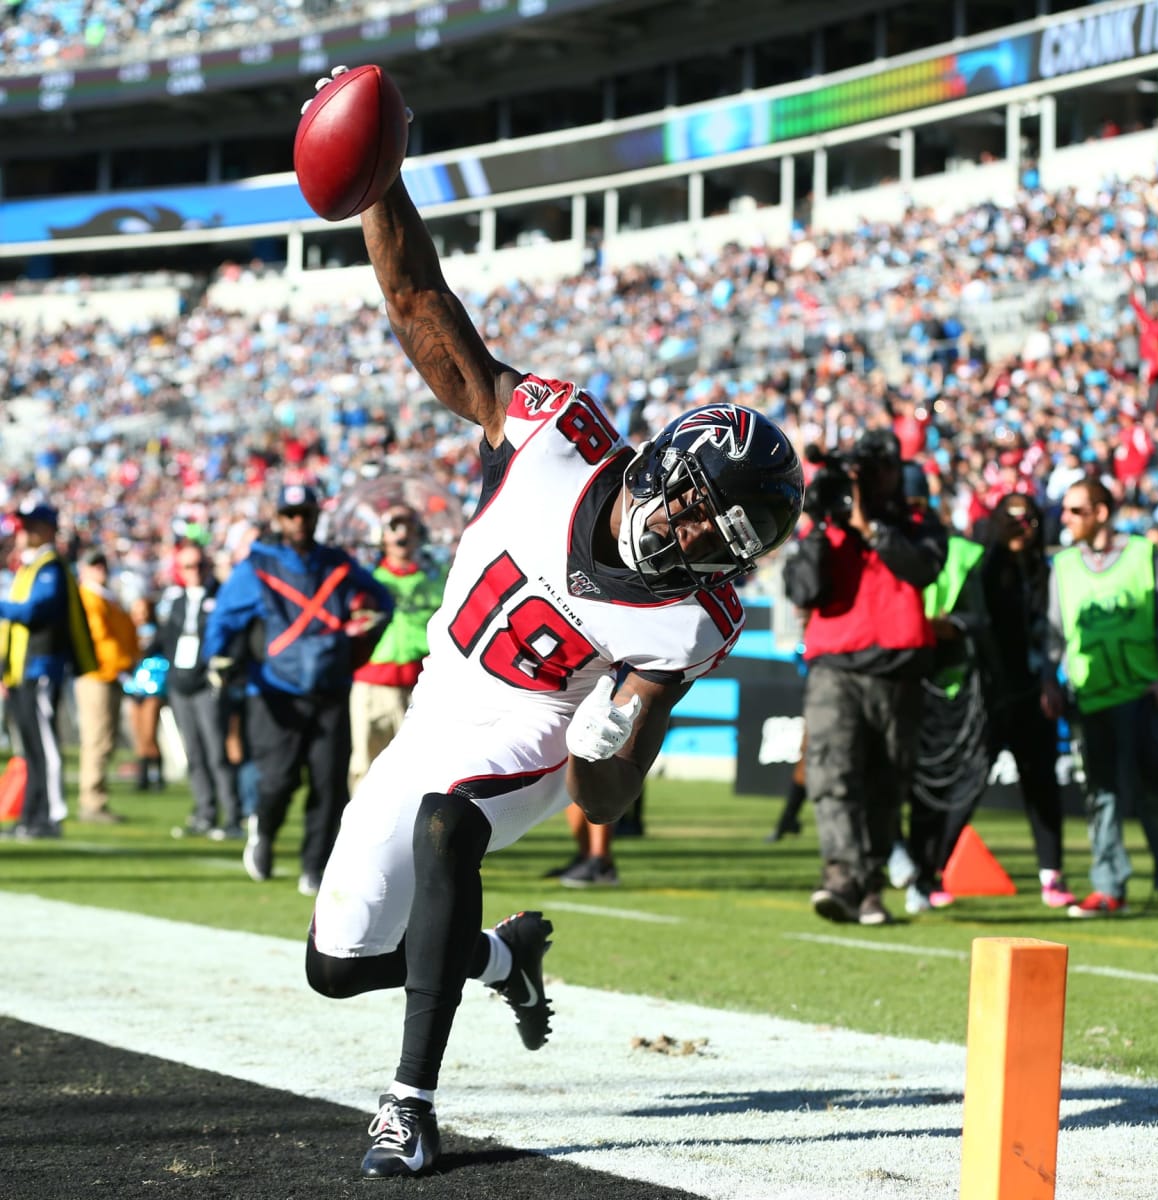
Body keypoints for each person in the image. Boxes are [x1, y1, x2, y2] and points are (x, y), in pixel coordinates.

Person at [299, 67, 805, 1182]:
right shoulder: (554, 436)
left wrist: (613, 734)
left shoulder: (692, 620)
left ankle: (409, 1105)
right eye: (701, 516)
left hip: (528, 738)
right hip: (438, 704)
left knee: (448, 826)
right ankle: (500, 958)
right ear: (666, 463)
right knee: (335, 964)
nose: (705, 547)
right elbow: (422, 311)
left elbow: (603, 802)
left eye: (729, 541)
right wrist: (380, 183)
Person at [203, 483, 396, 896]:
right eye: (290, 514)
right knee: (278, 780)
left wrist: (367, 623)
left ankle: (316, 866)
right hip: (275, 690)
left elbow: (381, 600)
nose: (298, 521)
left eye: (305, 513)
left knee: (329, 783)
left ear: (315, 516)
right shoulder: (258, 566)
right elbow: (223, 617)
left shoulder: (338, 565)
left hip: (330, 685)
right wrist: (216, 657)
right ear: (279, 518)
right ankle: (265, 831)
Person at [785, 432, 946, 926]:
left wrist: (873, 529)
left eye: (878, 471)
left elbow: (923, 571)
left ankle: (868, 886)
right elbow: (805, 590)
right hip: (836, 669)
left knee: (886, 782)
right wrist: (819, 527)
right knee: (833, 775)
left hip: (899, 670)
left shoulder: (918, 523)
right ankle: (841, 877)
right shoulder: (826, 527)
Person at [1043, 479, 1158, 921]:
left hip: (1143, 696)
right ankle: (1109, 888)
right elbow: (1054, 632)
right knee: (1101, 798)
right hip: (1090, 699)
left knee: (1154, 796)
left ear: (1102, 512)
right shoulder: (1065, 565)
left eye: (1075, 511)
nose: (1066, 519)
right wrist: (1048, 682)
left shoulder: (1141, 554)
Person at [895, 465, 995, 914]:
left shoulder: (965, 554)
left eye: (916, 504)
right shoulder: (883, 546)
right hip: (897, 680)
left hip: (949, 685)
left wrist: (946, 626)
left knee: (945, 789)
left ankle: (925, 871)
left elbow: (981, 618)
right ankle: (899, 867)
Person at [978, 493, 1076, 908]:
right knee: (967, 781)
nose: (1022, 528)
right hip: (989, 696)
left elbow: (1053, 635)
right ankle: (928, 874)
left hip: (1034, 695)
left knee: (1043, 787)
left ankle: (1052, 875)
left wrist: (1050, 680)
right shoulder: (985, 571)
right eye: (1012, 520)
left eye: (1029, 520)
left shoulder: (1046, 572)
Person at [0, 501, 97, 838]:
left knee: (45, 746)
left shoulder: (50, 568)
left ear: (45, 530)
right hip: (22, 669)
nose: (22, 533)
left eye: (29, 526)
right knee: (29, 748)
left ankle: (51, 815)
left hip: (41, 666)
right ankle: (30, 815)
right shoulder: (31, 568)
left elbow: (34, 611)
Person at [348, 503, 445, 793]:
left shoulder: (437, 579)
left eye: (409, 526)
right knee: (364, 766)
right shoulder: (366, 578)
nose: (402, 533)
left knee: (419, 770)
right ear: (381, 536)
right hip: (372, 683)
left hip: (421, 683)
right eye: (394, 526)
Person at [158, 541, 241, 839]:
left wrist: (224, 670)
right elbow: (167, 639)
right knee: (193, 751)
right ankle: (204, 812)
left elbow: (232, 637)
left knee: (216, 751)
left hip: (207, 684)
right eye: (187, 567)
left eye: (198, 565)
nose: (194, 572)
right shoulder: (177, 601)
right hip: (181, 685)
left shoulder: (220, 596)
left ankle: (232, 816)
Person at [76, 550, 139, 823]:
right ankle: (91, 801)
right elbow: (100, 638)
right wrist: (124, 661)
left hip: (111, 674)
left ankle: (95, 798)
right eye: (93, 565)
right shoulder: (89, 597)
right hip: (97, 675)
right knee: (97, 739)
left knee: (105, 739)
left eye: (102, 564)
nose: (100, 569)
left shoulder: (107, 598)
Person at [124, 594, 168, 791]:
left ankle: (157, 776)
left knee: (150, 732)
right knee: (139, 733)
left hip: (153, 688)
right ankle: (142, 777)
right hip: (134, 688)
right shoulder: (129, 633)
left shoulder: (158, 633)